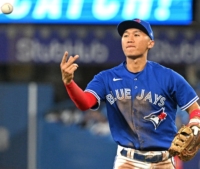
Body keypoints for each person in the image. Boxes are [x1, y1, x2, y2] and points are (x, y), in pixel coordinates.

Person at [60, 18, 200, 169]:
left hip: (164, 161)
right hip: (128, 161)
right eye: (125, 35)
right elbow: (85, 103)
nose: (130, 39)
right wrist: (69, 83)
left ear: (150, 43)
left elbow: (195, 109)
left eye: (137, 34)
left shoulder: (169, 77)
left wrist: (195, 124)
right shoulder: (106, 78)